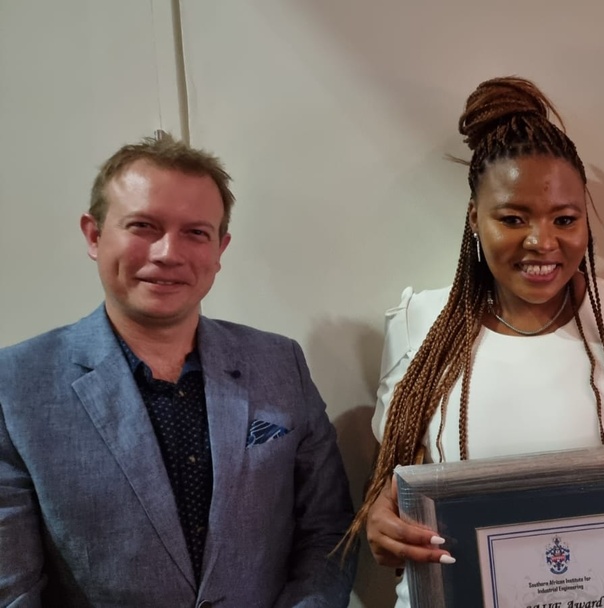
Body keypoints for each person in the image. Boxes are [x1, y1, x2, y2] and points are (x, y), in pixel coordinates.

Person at [341, 77, 604, 606]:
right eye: (512, 218)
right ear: (474, 219)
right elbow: (389, 496)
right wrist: (382, 526)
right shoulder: (419, 326)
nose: (542, 242)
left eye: (565, 219)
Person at [0, 133, 356, 606]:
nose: (168, 253)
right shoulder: (16, 385)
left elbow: (328, 531)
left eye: (196, 232)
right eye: (143, 226)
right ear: (94, 234)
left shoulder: (280, 363)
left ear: (220, 248)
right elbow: (12, 588)